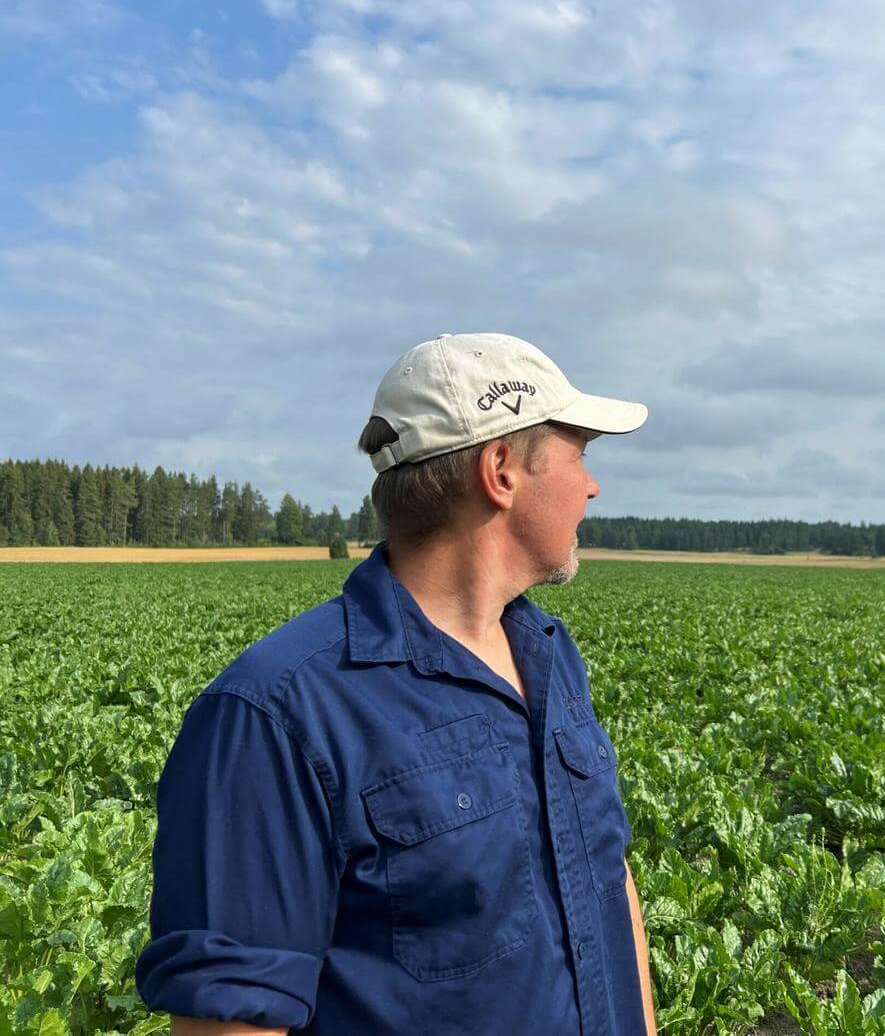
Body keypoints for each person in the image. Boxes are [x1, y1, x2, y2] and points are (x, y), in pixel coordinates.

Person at [135, 332, 656, 1035]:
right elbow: (232, 1020)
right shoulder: (276, 713)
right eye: (578, 455)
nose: (591, 485)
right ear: (501, 470)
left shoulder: (551, 657)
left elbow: (607, 882)